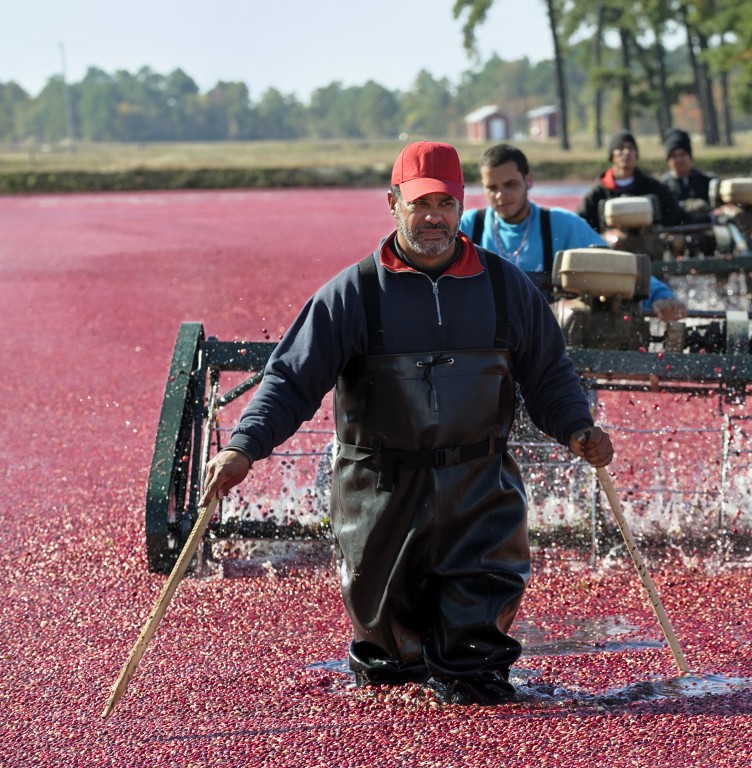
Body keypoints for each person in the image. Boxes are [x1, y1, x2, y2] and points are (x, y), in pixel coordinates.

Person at [200, 141, 614, 707]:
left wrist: (576, 428)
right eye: (420, 203)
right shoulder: (353, 294)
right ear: (393, 203)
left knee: (478, 671)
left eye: (445, 203)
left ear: (463, 205)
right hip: (379, 500)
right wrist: (243, 448)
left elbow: (549, 376)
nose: (433, 217)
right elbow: (290, 380)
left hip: (480, 496)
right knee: (390, 674)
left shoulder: (504, 288)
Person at [463, 143, 686, 321]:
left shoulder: (561, 224)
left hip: (545, 340)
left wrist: (661, 296)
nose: (500, 195)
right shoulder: (469, 226)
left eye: (510, 185)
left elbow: (615, 265)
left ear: (528, 181)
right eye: (492, 188)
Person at [576, 130, 685, 232]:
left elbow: (674, 216)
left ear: (636, 154)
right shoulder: (599, 192)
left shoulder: (652, 187)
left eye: (631, 148)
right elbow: (581, 223)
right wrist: (605, 235)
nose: (626, 152)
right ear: (612, 155)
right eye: (621, 148)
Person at [658, 128, 715, 224]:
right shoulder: (662, 187)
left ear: (690, 156)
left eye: (682, 154)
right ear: (668, 160)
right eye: (674, 156)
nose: (679, 159)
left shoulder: (708, 182)